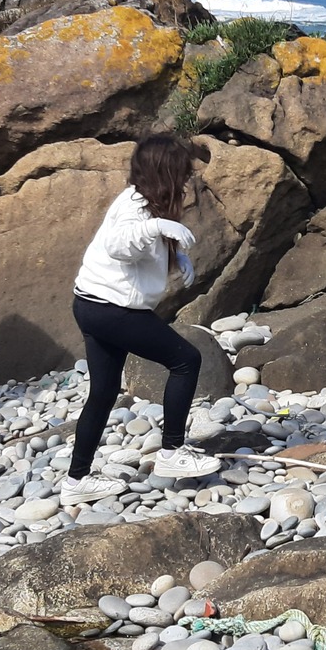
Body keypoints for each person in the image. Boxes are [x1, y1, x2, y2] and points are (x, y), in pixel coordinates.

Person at [65, 133, 223, 500]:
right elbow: (118, 246)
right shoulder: (136, 207)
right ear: (166, 173)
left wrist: (175, 256)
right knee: (186, 360)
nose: (186, 182)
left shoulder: (144, 200)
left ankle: (76, 481)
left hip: (90, 304)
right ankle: (172, 452)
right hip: (111, 310)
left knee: (103, 392)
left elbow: (139, 251)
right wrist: (156, 228)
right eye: (181, 174)